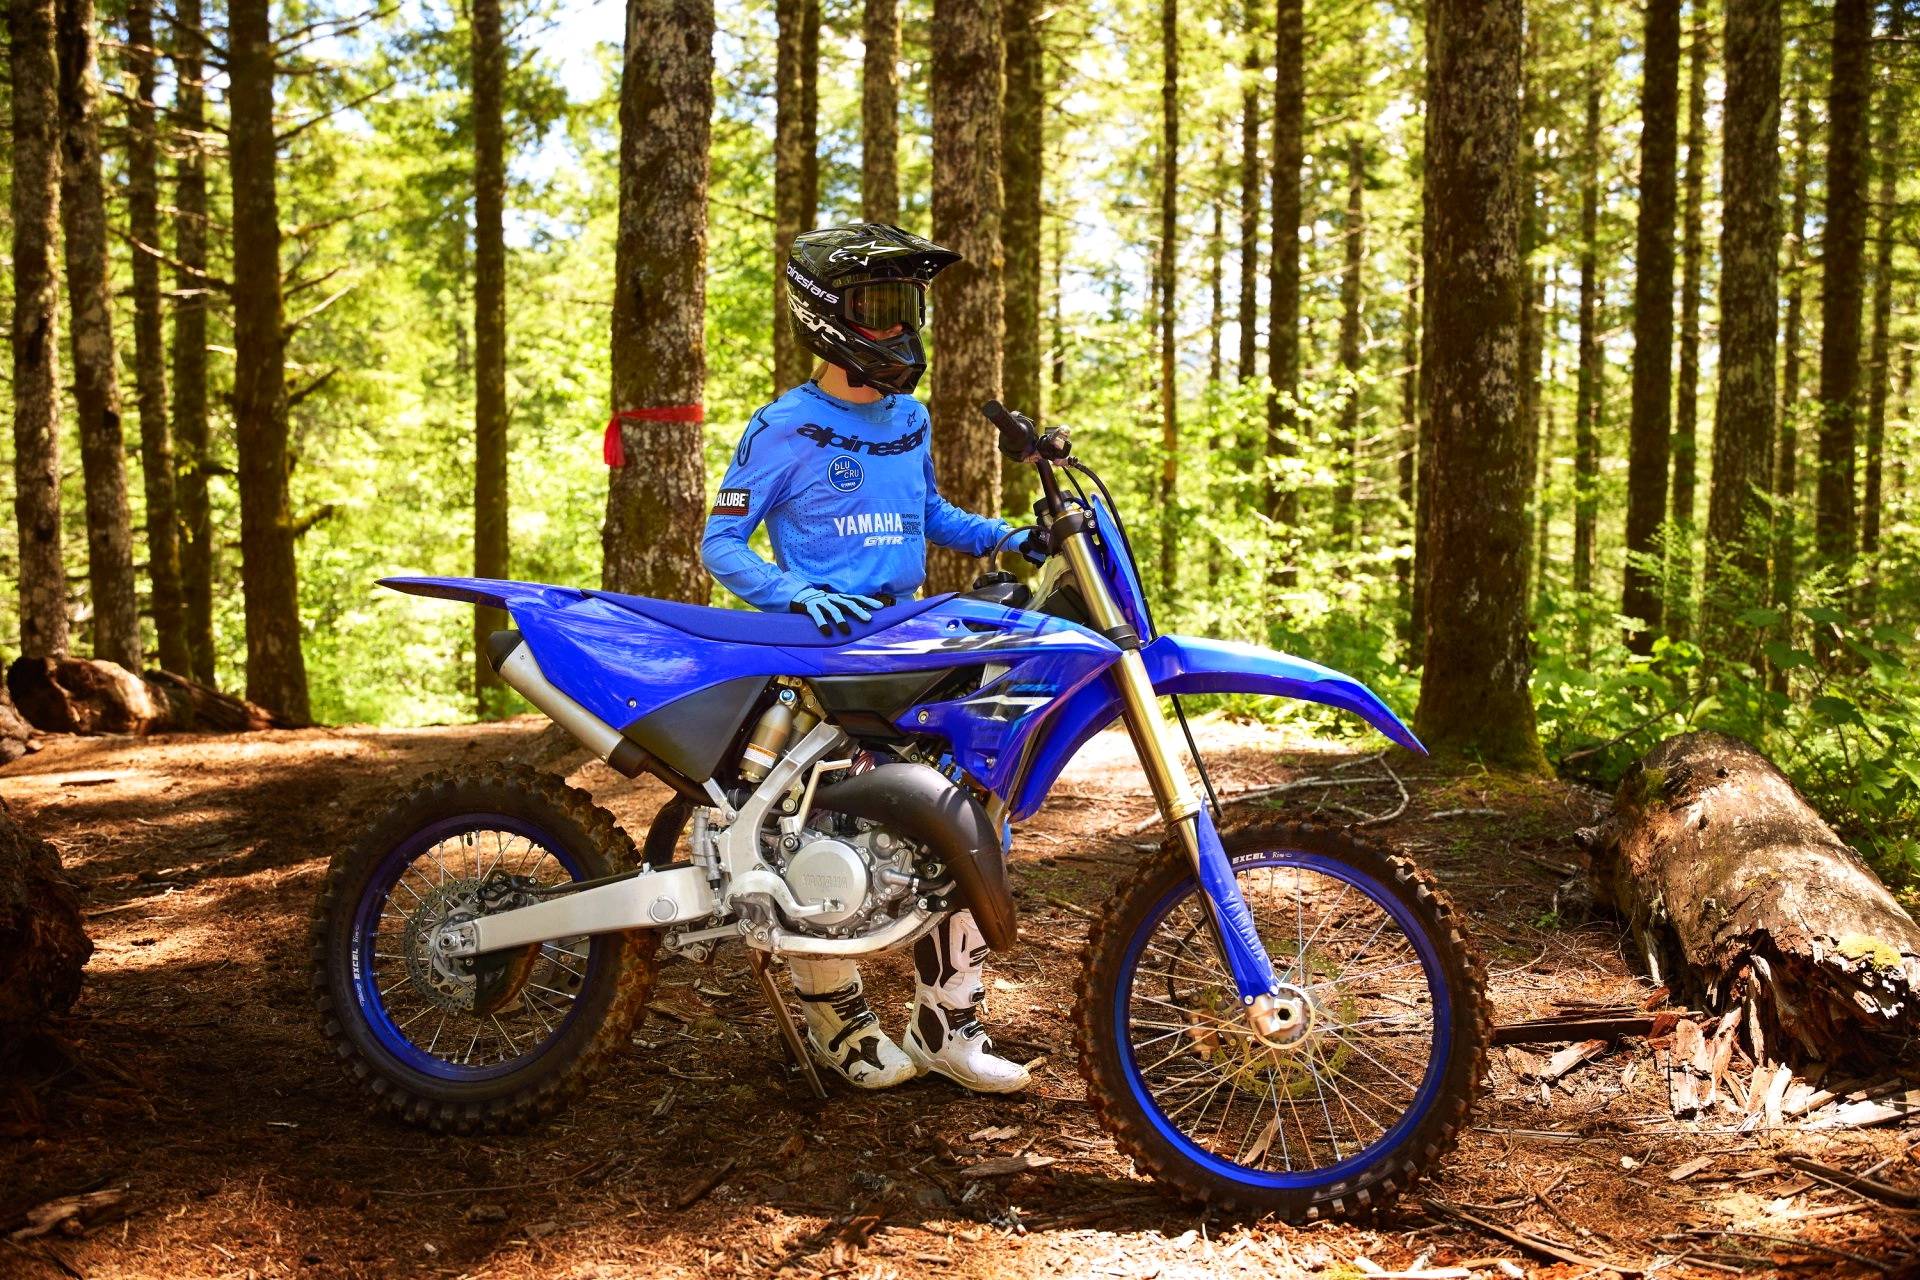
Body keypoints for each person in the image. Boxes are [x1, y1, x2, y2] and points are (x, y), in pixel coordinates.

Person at [700, 222, 1040, 1093]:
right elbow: (721, 542)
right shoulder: (782, 426)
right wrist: (791, 594)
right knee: (816, 834)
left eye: (906, 307)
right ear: (827, 315)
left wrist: (1007, 537)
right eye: (877, 307)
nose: (896, 327)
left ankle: (948, 1022)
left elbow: (929, 514)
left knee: (966, 818)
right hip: (827, 660)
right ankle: (836, 1021)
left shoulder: (909, 417)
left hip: (912, 648)